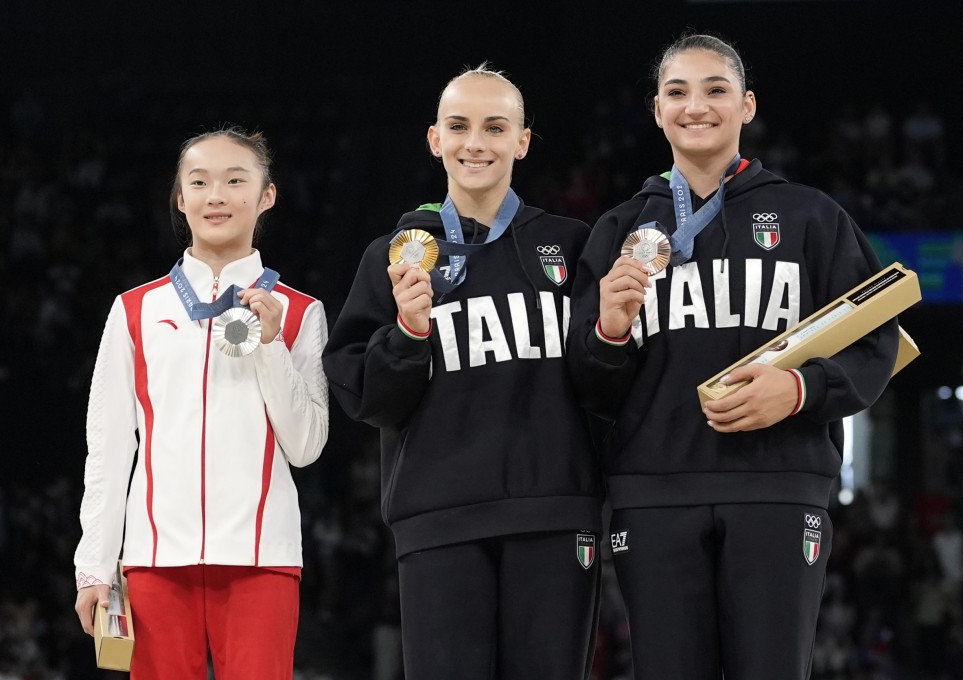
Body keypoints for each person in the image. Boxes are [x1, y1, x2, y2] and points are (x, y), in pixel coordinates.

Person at [566, 34, 899, 679]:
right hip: (654, 497)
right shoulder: (616, 232)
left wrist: (800, 390)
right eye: (677, 92)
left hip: (779, 489)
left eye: (715, 89)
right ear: (657, 110)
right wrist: (608, 331)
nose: (697, 106)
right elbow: (586, 388)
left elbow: (874, 338)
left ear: (747, 105)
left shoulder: (811, 217)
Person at [321, 65, 602, 680]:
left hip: (555, 517)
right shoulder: (394, 255)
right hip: (439, 521)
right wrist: (408, 332)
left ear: (522, 142)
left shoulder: (572, 245)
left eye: (494, 127)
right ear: (435, 139)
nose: (475, 143)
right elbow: (367, 398)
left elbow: (600, 379)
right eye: (459, 126)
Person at [73, 126, 330, 679]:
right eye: (199, 181)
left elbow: (306, 446)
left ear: (267, 195)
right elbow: (109, 448)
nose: (216, 196)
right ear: (180, 198)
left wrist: (270, 347)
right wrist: (94, 565)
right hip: (155, 559)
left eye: (235, 181)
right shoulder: (135, 311)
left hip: (262, 558)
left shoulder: (300, 312)